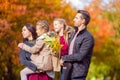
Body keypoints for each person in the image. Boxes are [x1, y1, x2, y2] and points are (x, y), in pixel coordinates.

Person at [61, 10, 94, 80]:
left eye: (76, 18)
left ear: (83, 21)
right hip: (66, 71)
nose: (74, 20)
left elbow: (80, 56)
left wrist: (64, 58)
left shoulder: (88, 37)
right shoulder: (73, 34)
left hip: (78, 75)